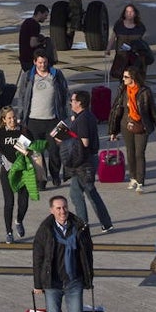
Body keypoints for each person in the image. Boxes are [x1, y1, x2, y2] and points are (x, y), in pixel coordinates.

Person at [32, 195, 95, 312]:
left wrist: (89, 278)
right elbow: (38, 258)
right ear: (51, 210)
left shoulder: (79, 226)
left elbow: (87, 254)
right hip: (53, 283)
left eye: (64, 207)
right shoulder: (45, 229)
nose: (62, 212)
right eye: (58, 208)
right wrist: (38, 284)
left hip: (74, 281)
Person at [60, 91, 114, 235]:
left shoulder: (83, 119)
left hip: (84, 162)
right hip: (87, 160)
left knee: (76, 194)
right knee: (91, 192)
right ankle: (106, 223)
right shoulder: (85, 116)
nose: (70, 102)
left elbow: (84, 142)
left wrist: (66, 136)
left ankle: (82, 227)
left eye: (72, 100)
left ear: (79, 103)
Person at [14, 50, 69, 188]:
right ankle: (41, 180)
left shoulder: (56, 75)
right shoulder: (28, 76)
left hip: (53, 120)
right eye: (39, 62)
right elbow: (21, 96)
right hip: (33, 120)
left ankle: (55, 175)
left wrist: (65, 115)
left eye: (44, 62)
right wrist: (20, 116)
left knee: (55, 152)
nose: (42, 65)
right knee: (36, 153)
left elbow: (65, 93)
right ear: (34, 62)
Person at [0, 106, 34, 243]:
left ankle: (19, 220)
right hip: (7, 171)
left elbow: (31, 146)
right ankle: (9, 232)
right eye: (9, 118)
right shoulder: (0, 133)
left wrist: (28, 151)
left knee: (23, 203)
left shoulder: (23, 131)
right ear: (4, 120)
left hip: (22, 171)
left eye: (14, 117)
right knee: (9, 202)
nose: (12, 120)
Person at [108, 66, 156, 193]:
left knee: (139, 153)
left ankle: (140, 182)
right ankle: (133, 177)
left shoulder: (145, 92)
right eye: (123, 77)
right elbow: (116, 110)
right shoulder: (123, 90)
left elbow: (153, 111)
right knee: (130, 152)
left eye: (126, 77)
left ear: (133, 78)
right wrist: (113, 131)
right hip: (126, 124)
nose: (123, 79)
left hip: (141, 125)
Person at [106, 2, 151, 76]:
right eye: (127, 12)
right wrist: (108, 49)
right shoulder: (119, 25)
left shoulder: (140, 26)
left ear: (135, 14)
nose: (129, 13)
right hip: (122, 56)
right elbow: (112, 37)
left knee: (135, 76)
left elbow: (141, 41)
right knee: (122, 76)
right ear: (124, 14)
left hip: (135, 56)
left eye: (131, 11)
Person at [18, 4, 50, 72]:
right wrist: (42, 42)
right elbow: (32, 44)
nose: (46, 18)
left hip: (23, 58)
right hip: (29, 59)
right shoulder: (35, 25)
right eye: (45, 15)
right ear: (39, 13)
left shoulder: (27, 21)